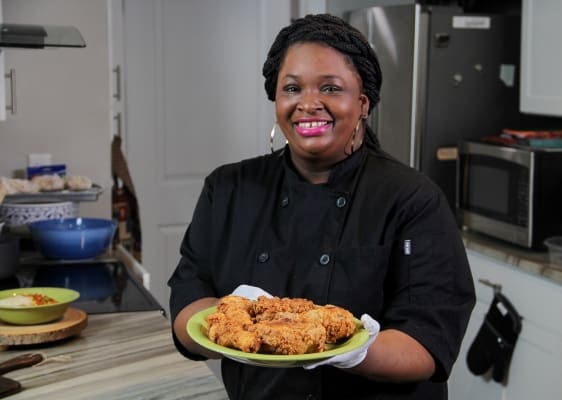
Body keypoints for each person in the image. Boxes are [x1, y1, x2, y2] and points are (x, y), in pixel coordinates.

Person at [169, 13, 475, 400]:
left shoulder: (413, 200)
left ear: (362, 104)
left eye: (330, 88)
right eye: (292, 88)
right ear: (277, 100)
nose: (308, 104)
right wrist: (237, 332)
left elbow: (427, 344)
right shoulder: (228, 188)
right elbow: (188, 297)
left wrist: (343, 351)